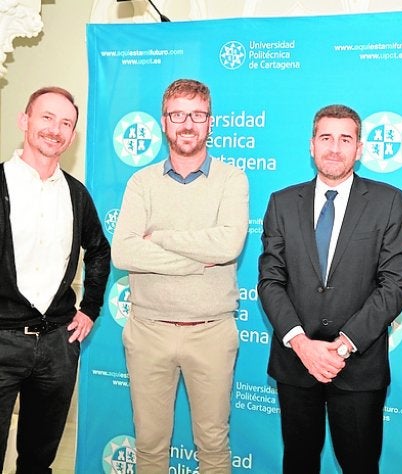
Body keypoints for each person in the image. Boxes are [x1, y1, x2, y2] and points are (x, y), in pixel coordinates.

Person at [258, 104, 402, 473]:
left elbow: (394, 283)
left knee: (360, 464)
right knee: (298, 462)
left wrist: (342, 346)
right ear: (312, 145)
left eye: (345, 139)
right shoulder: (281, 203)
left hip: (358, 365)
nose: (334, 148)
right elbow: (270, 280)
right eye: (326, 138)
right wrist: (301, 344)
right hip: (296, 363)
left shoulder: (388, 201)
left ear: (359, 149)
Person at [111, 78, 249, 474]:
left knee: (213, 445)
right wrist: (198, 260)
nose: (187, 124)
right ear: (163, 122)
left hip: (211, 332)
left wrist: (160, 238)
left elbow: (227, 246)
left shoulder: (232, 179)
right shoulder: (141, 182)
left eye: (197, 115)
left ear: (210, 122)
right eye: (177, 115)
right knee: (150, 447)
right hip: (148, 331)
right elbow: (124, 252)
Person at [0, 86, 111, 473]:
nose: (55, 129)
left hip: (57, 348)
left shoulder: (77, 194)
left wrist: (90, 308)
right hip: (2, 341)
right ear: (24, 120)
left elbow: (99, 250)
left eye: (66, 123)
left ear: (73, 135)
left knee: (39, 462)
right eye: (46, 117)